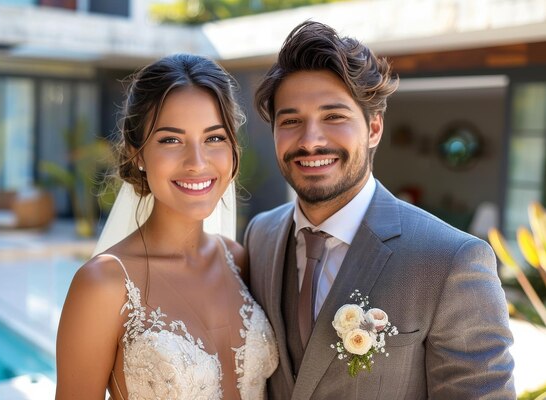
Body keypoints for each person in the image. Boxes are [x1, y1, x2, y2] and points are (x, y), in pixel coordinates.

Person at [245, 21, 515, 399]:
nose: (310, 141)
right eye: (291, 121)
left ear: (374, 127)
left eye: (334, 116)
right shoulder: (260, 236)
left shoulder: (451, 261)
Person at [56, 53, 278, 400]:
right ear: (138, 154)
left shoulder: (239, 260)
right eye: (171, 140)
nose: (197, 162)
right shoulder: (102, 286)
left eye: (214, 138)